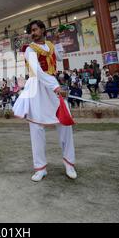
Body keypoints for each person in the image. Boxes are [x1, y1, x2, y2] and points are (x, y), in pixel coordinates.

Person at [13, 20, 77, 182]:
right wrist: (55, 87)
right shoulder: (29, 49)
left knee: (65, 124)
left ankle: (69, 163)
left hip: (52, 84)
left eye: (34, 30)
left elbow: (60, 58)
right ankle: (40, 168)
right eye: (30, 31)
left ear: (42, 29)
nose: (32, 33)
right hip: (38, 87)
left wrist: (58, 41)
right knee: (37, 129)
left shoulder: (50, 45)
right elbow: (38, 71)